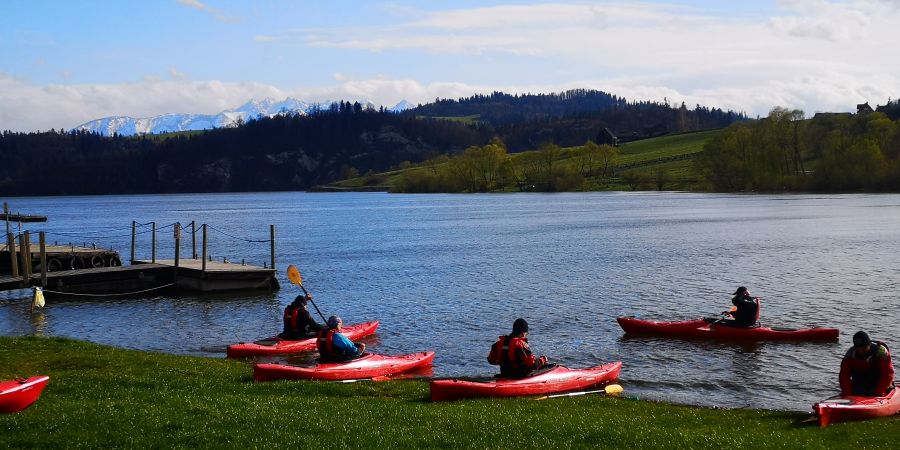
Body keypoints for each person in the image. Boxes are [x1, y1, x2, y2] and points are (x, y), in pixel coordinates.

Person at [839, 331, 895, 397]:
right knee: (857, 391)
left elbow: (888, 374)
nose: (861, 351)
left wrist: (879, 393)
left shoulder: (881, 351)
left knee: (872, 391)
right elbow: (844, 375)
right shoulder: (851, 353)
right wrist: (847, 393)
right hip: (860, 384)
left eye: (863, 348)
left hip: (877, 385)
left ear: (869, 345)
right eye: (858, 348)